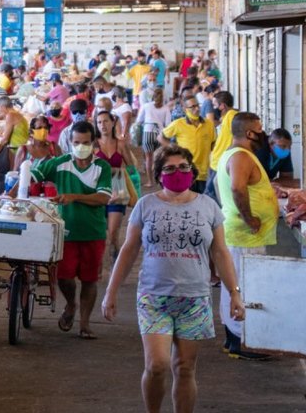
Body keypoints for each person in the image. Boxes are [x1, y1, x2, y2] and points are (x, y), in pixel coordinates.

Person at [102, 145, 246, 413]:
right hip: (154, 297)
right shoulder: (146, 205)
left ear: (192, 171)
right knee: (156, 365)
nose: (177, 172)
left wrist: (234, 292)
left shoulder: (208, 206)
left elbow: (220, 251)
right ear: (159, 175)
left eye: (183, 167)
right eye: (169, 168)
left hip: (195, 298)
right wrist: (111, 291)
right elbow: (129, 249)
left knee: (184, 367)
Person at [32, 121, 112, 339]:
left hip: (93, 232)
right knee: (64, 277)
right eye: (77, 142)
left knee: (90, 280)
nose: (81, 146)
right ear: (70, 142)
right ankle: (70, 305)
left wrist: (74, 197)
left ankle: (84, 324)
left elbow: (103, 198)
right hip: (65, 233)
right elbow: (32, 176)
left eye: (86, 142)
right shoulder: (59, 163)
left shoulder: (101, 167)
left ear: (93, 142)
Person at [215, 112, 278, 360]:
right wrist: (249, 218)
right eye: (260, 129)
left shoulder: (232, 155)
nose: (263, 133)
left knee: (233, 286)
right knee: (244, 288)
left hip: (239, 234)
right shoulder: (240, 155)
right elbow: (237, 188)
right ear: (250, 133)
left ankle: (233, 340)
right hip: (245, 236)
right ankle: (243, 341)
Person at [95, 111, 135, 265]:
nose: (102, 125)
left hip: (118, 193)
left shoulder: (120, 144)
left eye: (105, 121)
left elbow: (131, 169)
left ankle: (115, 267)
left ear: (113, 123)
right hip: (98, 193)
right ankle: (97, 267)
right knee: (100, 234)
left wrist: (134, 191)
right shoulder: (93, 145)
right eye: (99, 122)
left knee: (113, 234)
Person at [159, 95, 215, 194]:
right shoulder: (178, 124)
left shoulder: (208, 124)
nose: (197, 108)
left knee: (203, 202)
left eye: (198, 105)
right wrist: (174, 148)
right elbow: (160, 137)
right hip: (186, 171)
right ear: (185, 109)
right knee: (186, 201)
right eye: (192, 107)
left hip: (204, 173)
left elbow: (213, 144)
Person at [205, 91, 238, 202]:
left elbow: (236, 138)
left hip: (220, 161)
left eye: (215, 105)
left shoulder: (231, 116)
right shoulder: (226, 117)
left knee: (210, 196)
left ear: (222, 105)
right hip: (216, 161)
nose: (214, 108)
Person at [136, 88, 171, 187]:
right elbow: (168, 124)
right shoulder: (166, 108)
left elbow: (139, 121)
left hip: (147, 132)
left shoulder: (146, 106)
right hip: (160, 134)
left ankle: (150, 181)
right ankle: (161, 180)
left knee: (148, 158)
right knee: (160, 158)